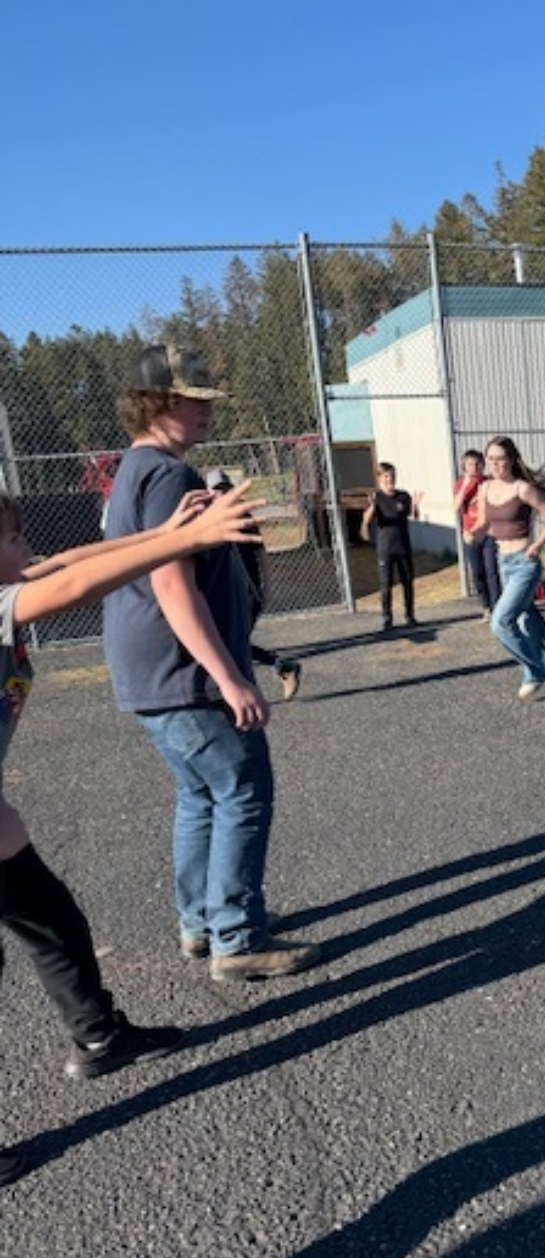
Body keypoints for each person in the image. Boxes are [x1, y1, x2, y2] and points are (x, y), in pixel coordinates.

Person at [0, 483, 268, 1185]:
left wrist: (169, 528)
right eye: (14, 538)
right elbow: (77, 585)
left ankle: (98, 1035)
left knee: (55, 922)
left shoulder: (11, 582)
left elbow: (79, 558)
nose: (28, 549)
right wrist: (189, 540)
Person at [103, 344, 320, 983]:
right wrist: (228, 676)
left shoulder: (136, 469)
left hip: (150, 673)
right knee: (243, 789)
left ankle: (201, 922)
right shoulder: (169, 476)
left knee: (200, 795)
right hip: (184, 673)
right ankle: (237, 938)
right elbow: (172, 584)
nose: (205, 413)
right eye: (193, 401)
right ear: (158, 403)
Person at [474, 436, 545, 700]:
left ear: (511, 460)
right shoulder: (485, 488)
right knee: (528, 621)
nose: (496, 464)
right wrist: (472, 531)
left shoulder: (522, 489)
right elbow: (483, 522)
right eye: (491, 459)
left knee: (501, 622)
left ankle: (534, 670)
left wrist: (538, 545)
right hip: (503, 561)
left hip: (525, 562)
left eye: (501, 459)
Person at [206, 470, 301, 700]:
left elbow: (261, 554)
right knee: (228, 644)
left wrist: (266, 588)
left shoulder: (243, 517)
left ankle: (272, 674)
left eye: (225, 490)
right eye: (216, 490)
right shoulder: (207, 520)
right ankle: (280, 667)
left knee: (232, 644)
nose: (221, 495)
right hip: (223, 593)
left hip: (247, 590)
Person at [360, 463, 421, 630]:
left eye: (392, 476)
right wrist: (372, 507)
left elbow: (413, 516)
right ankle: (387, 618)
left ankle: (410, 615)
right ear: (379, 479)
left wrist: (415, 505)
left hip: (403, 546)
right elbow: (366, 520)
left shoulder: (403, 496)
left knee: (407, 582)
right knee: (385, 585)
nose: (390, 479)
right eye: (386, 476)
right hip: (385, 548)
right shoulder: (376, 498)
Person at [454, 449, 498, 619]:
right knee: (477, 572)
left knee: (491, 570)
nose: (475, 467)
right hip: (470, 533)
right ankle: (485, 605)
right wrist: (465, 486)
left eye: (478, 463)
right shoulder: (460, 484)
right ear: (464, 466)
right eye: (470, 464)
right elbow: (457, 507)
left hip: (489, 532)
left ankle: (496, 607)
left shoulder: (489, 482)